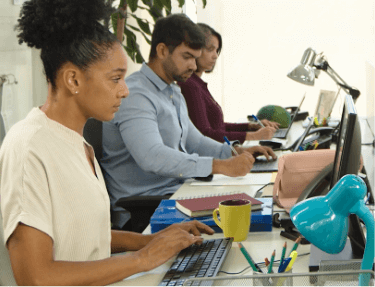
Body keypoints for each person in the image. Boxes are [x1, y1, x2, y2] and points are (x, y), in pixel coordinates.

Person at [0, 1, 216, 285]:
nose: (125, 91)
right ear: (73, 79)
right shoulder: (29, 148)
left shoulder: (77, 142)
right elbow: (36, 277)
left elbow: (84, 235)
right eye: (115, 79)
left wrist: (150, 241)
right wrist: (143, 258)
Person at [101, 13, 276, 230]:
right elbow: (151, 157)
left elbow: (195, 141)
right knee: (244, 218)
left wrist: (234, 152)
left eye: (196, 57)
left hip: (174, 193)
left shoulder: (172, 90)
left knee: (256, 207)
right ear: (162, 50)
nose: (194, 66)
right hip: (145, 209)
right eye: (187, 57)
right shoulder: (136, 94)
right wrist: (220, 166)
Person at [178, 23, 280, 144]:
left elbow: (218, 126)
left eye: (217, 50)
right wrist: (253, 136)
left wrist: (251, 126)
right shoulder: (191, 86)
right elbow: (206, 134)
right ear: (195, 49)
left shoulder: (198, 84)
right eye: (210, 49)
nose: (215, 56)